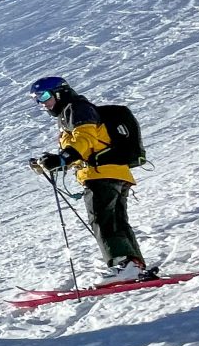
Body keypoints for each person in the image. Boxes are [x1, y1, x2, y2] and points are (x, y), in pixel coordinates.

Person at [27, 76, 150, 279]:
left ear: (60, 92)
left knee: (101, 220)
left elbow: (85, 140)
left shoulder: (76, 108)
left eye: (45, 96)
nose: (43, 103)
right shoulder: (73, 113)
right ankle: (134, 266)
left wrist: (63, 158)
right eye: (37, 99)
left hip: (101, 174)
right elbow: (85, 150)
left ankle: (124, 265)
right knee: (116, 221)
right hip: (115, 172)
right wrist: (54, 164)